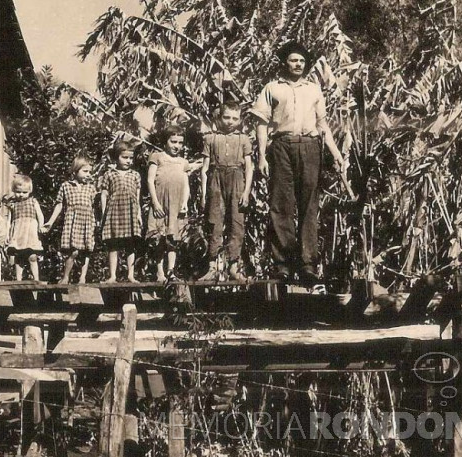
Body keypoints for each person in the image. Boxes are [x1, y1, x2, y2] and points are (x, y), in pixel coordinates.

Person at [250, 43, 345, 290]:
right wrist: (261, 156)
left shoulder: (313, 90)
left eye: (301, 61)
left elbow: (323, 124)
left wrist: (335, 154)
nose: (297, 65)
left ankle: (307, 265)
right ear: (285, 62)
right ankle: (282, 265)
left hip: (310, 147)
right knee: (281, 205)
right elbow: (261, 123)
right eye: (293, 60)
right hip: (281, 145)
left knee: (309, 205)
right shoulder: (272, 88)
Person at [200, 102, 254, 281]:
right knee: (214, 222)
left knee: (236, 223)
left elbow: (249, 168)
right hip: (216, 178)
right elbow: (204, 168)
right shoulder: (210, 138)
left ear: (240, 120)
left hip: (237, 178)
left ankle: (233, 266)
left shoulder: (243, 139)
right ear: (219, 117)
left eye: (234, 118)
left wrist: (246, 192)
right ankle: (212, 266)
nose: (230, 121)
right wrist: (203, 193)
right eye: (226, 117)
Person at [147, 125, 201, 282]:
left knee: (173, 238)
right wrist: (155, 203)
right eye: (173, 142)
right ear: (166, 141)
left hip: (176, 205)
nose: (177, 146)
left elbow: (186, 184)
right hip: (160, 204)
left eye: (180, 142)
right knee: (158, 237)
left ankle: (170, 271)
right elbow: (150, 181)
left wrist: (184, 203)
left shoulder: (182, 162)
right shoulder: (157, 157)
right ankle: (159, 272)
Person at [43, 155, 98, 284]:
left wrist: (96, 221)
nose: (88, 174)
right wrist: (50, 222)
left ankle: (82, 278)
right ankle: (66, 277)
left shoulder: (91, 187)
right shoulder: (66, 186)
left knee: (86, 250)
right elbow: (59, 204)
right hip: (72, 221)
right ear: (75, 171)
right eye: (85, 171)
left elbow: (95, 206)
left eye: (90, 172)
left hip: (87, 221)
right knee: (73, 251)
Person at [98, 139, 143, 283]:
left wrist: (139, 214)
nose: (128, 160)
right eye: (125, 157)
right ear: (116, 157)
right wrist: (105, 214)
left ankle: (131, 275)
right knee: (113, 245)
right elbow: (104, 195)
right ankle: (113, 276)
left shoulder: (135, 175)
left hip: (130, 212)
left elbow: (137, 197)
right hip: (114, 212)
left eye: (131, 158)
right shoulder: (109, 174)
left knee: (131, 244)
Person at [4, 175, 45, 282]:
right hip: (18, 233)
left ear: (29, 191)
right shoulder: (13, 205)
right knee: (19, 257)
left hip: (30, 233)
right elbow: (9, 220)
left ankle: (36, 279)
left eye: (24, 192)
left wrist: (41, 226)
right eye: (18, 192)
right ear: (14, 190)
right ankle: (18, 279)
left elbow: (40, 215)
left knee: (32, 256)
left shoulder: (33, 201)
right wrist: (7, 234)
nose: (21, 195)